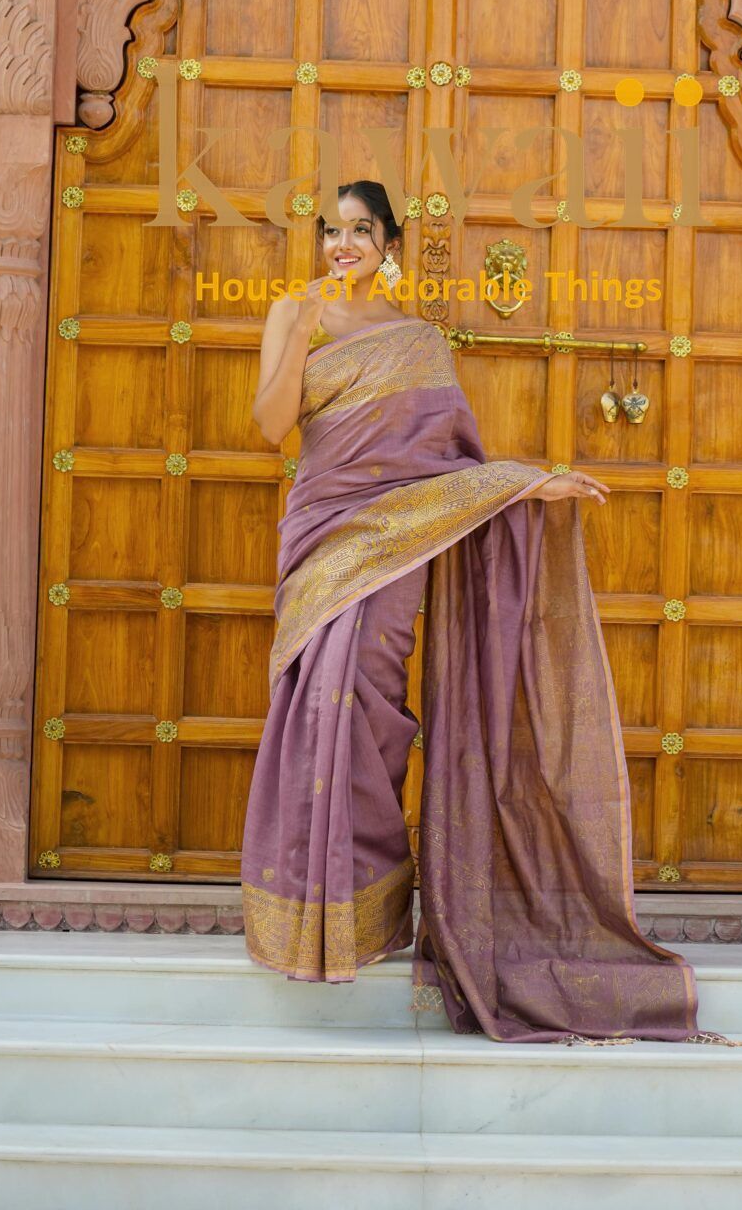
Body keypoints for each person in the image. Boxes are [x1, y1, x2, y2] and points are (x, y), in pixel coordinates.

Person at [240, 179, 701, 1044]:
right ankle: (313, 911)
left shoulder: (418, 342)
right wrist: (300, 330)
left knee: (372, 713)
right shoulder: (291, 316)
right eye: (331, 234)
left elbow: (444, 469)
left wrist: (528, 482)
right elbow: (272, 428)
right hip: (324, 538)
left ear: (389, 248)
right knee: (317, 709)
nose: (343, 247)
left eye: (360, 232)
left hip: (399, 544)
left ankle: (367, 904)